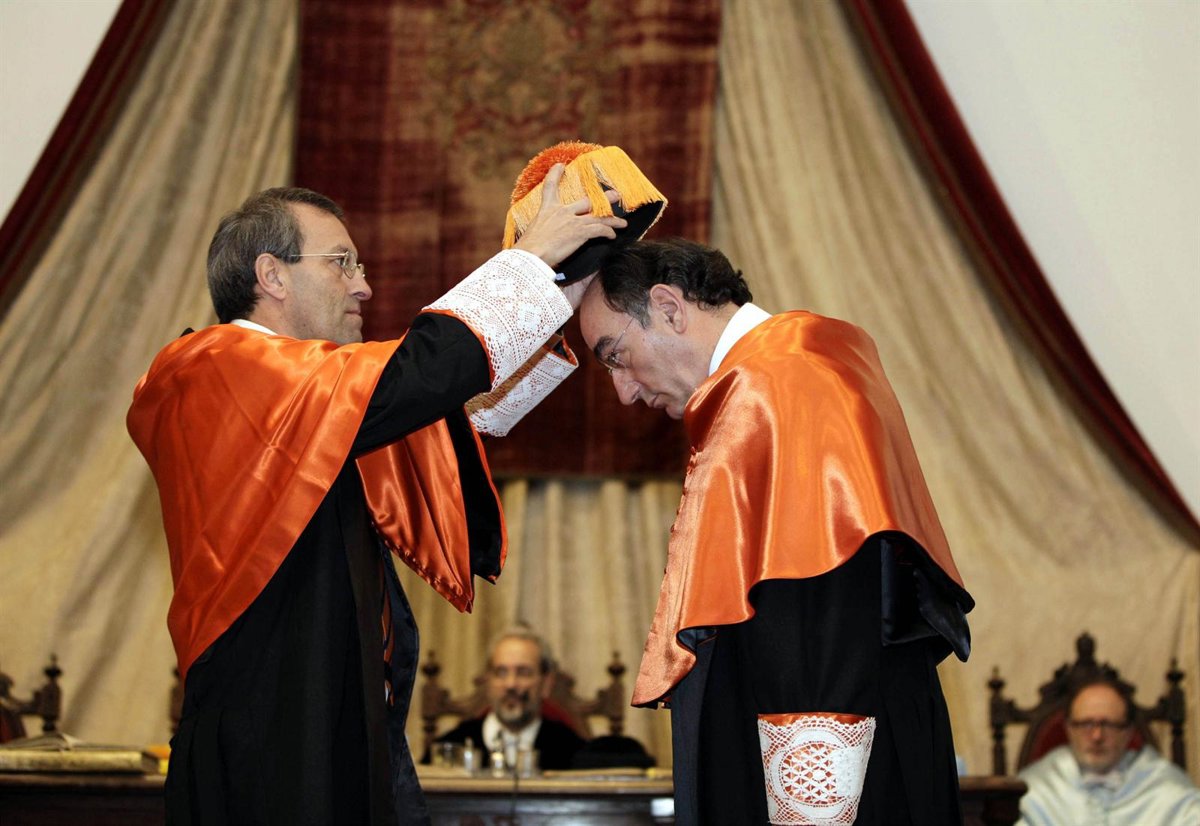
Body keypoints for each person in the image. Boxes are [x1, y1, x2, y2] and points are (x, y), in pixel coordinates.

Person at [127, 167, 626, 826]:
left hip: (330, 711)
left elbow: (447, 411)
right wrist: (530, 261)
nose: (363, 285)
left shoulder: (311, 400)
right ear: (271, 275)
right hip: (267, 726)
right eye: (342, 263)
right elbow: (418, 375)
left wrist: (560, 288)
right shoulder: (214, 366)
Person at [578, 238, 975, 825]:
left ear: (667, 307)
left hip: (828, 773)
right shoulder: (797, 368)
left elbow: (813, 619)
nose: (624, 391)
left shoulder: (781, 389)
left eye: (616, 355)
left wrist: (811, 810)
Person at [1017, 679, 1200, 825]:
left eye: (1109, 725)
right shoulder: (1034, 788)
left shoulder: (1167, 786)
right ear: (1069, 729)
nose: (1097, 736)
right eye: (1086, 724)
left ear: (1128, 732)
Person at [428, 627, 585, 771]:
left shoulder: (573, 751)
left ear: (546, 683)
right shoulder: (451, 747)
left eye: (523, 672)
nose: (511, 684)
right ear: (488, 681)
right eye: (501, 672)